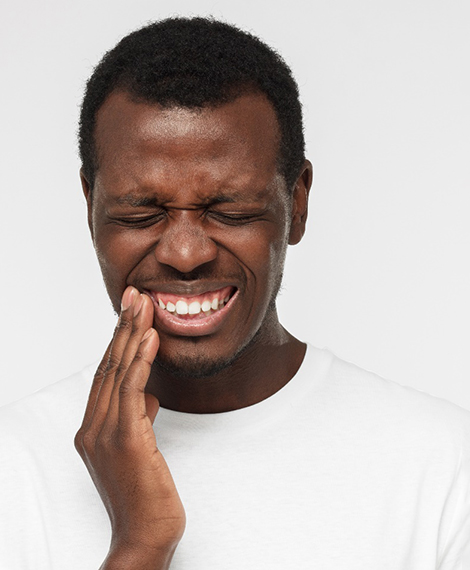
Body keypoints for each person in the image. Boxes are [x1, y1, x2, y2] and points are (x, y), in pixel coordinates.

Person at [0, 16, 469, 570]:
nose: (185, 252)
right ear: (90, 205)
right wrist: (139, 545)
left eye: (231, 211)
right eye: (141, 212)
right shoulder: (13, 467)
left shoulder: (442, 465)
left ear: (297, 203)